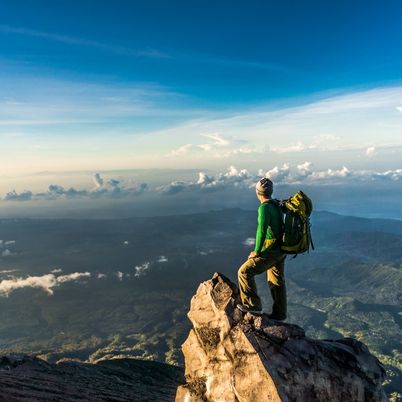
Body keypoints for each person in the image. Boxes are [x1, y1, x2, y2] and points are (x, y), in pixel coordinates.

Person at [237, 177, 287, 319]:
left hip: (270, 250)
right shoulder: (276, 204)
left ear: (257, 193)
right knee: (276, 281)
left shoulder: (264, 208)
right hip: (281, 250)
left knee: (244, 272)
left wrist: (257, 251)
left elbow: (261, 231)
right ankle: (280, 313)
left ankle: (253, 306)